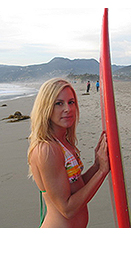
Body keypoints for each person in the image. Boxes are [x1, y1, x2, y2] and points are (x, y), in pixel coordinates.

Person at [27, 78, 110, 228]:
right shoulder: (48, 149)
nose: (68, 109)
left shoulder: (63, 142)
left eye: (71, 102)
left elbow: (76, 186)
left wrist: (97, 165)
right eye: (59, 103)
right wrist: (102, 172)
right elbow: (67, 209)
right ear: (45, 108)